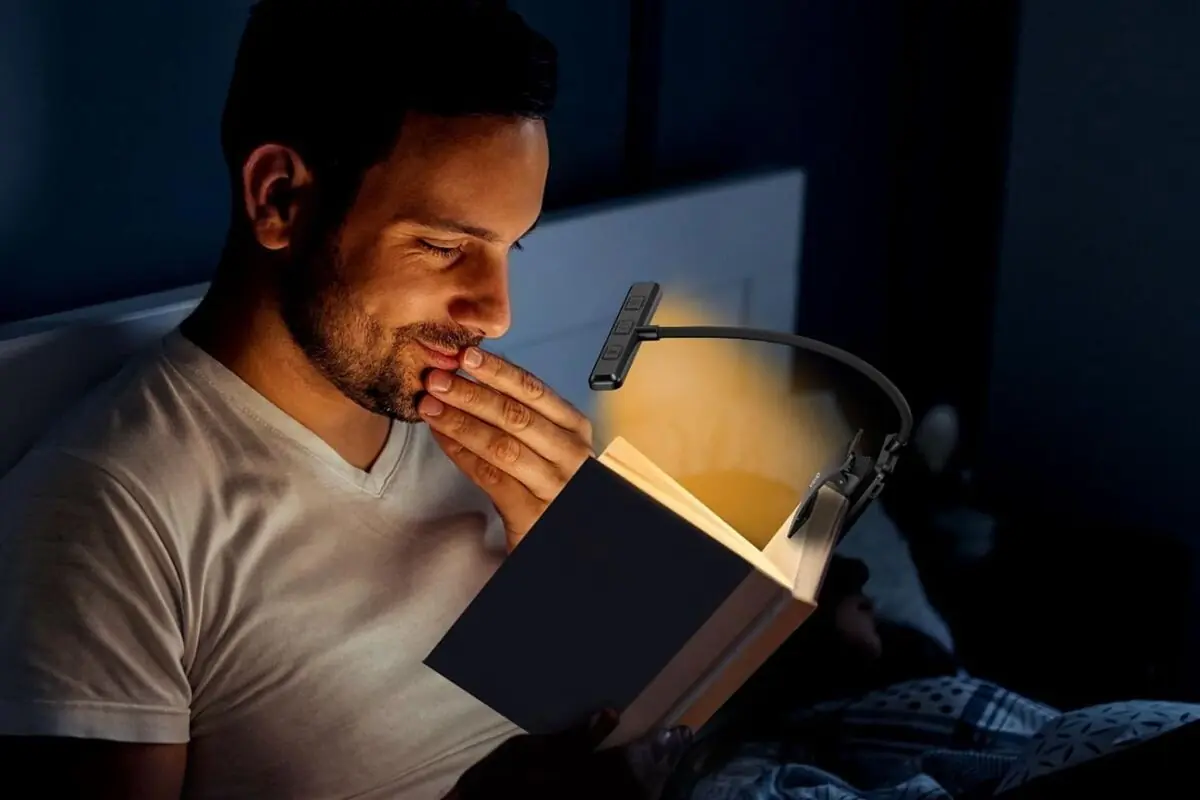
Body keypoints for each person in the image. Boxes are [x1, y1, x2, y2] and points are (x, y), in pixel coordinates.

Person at [0, 1, 689, 797]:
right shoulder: (112, 510)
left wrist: (588, 571)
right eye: (444, 246)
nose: (498, 314)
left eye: (510, 247)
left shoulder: (486, 433)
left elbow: (652, 713)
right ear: (279, 199)